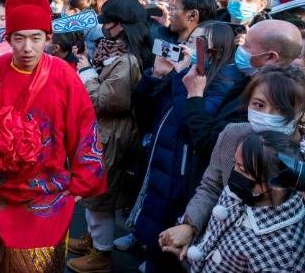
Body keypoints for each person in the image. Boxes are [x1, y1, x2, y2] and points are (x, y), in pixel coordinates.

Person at [0, 0, 106, 273]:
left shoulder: (63, 77)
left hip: (45, 195)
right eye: (19, 38)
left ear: (48, 37)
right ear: (8, 38)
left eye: (35, 38)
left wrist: (82, 181)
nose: (27, 48)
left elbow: (84, 128)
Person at [159, 66, 305, 264]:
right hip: (213, 253)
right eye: (259, 105)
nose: (268, 114)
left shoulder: (300, 160)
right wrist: (190, 225)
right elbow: (211, 186)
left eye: (281, 109)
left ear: (300, 113)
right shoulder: (233, 134)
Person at [130, 20, 244, 273]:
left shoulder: (221, 85)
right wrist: (158, 75)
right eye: (189, 41)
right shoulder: (185, 78)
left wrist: (185, 82)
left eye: (196, 44)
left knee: (169, 258)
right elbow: (144, 113)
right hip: (160, 175)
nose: (186, 48)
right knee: (156, 249)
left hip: (182, 187)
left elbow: (192, 128)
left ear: (214, 52)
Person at [67, 0, 151, 272]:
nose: (104, 29)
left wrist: (87, 71)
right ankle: (94, 238)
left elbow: (106, 100)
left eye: (109, 22)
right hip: (103, 132)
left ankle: (101, 253)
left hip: (112, 135)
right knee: (95, 192)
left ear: (120, 25)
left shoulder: (127, 61)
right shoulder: (115, 52)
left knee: (100, 194)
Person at [186, 131, 305, 272]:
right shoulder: (239, 193)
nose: (234, 172)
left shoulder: (285, 253)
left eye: (242, 169)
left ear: (276, 184)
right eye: (234, 164)